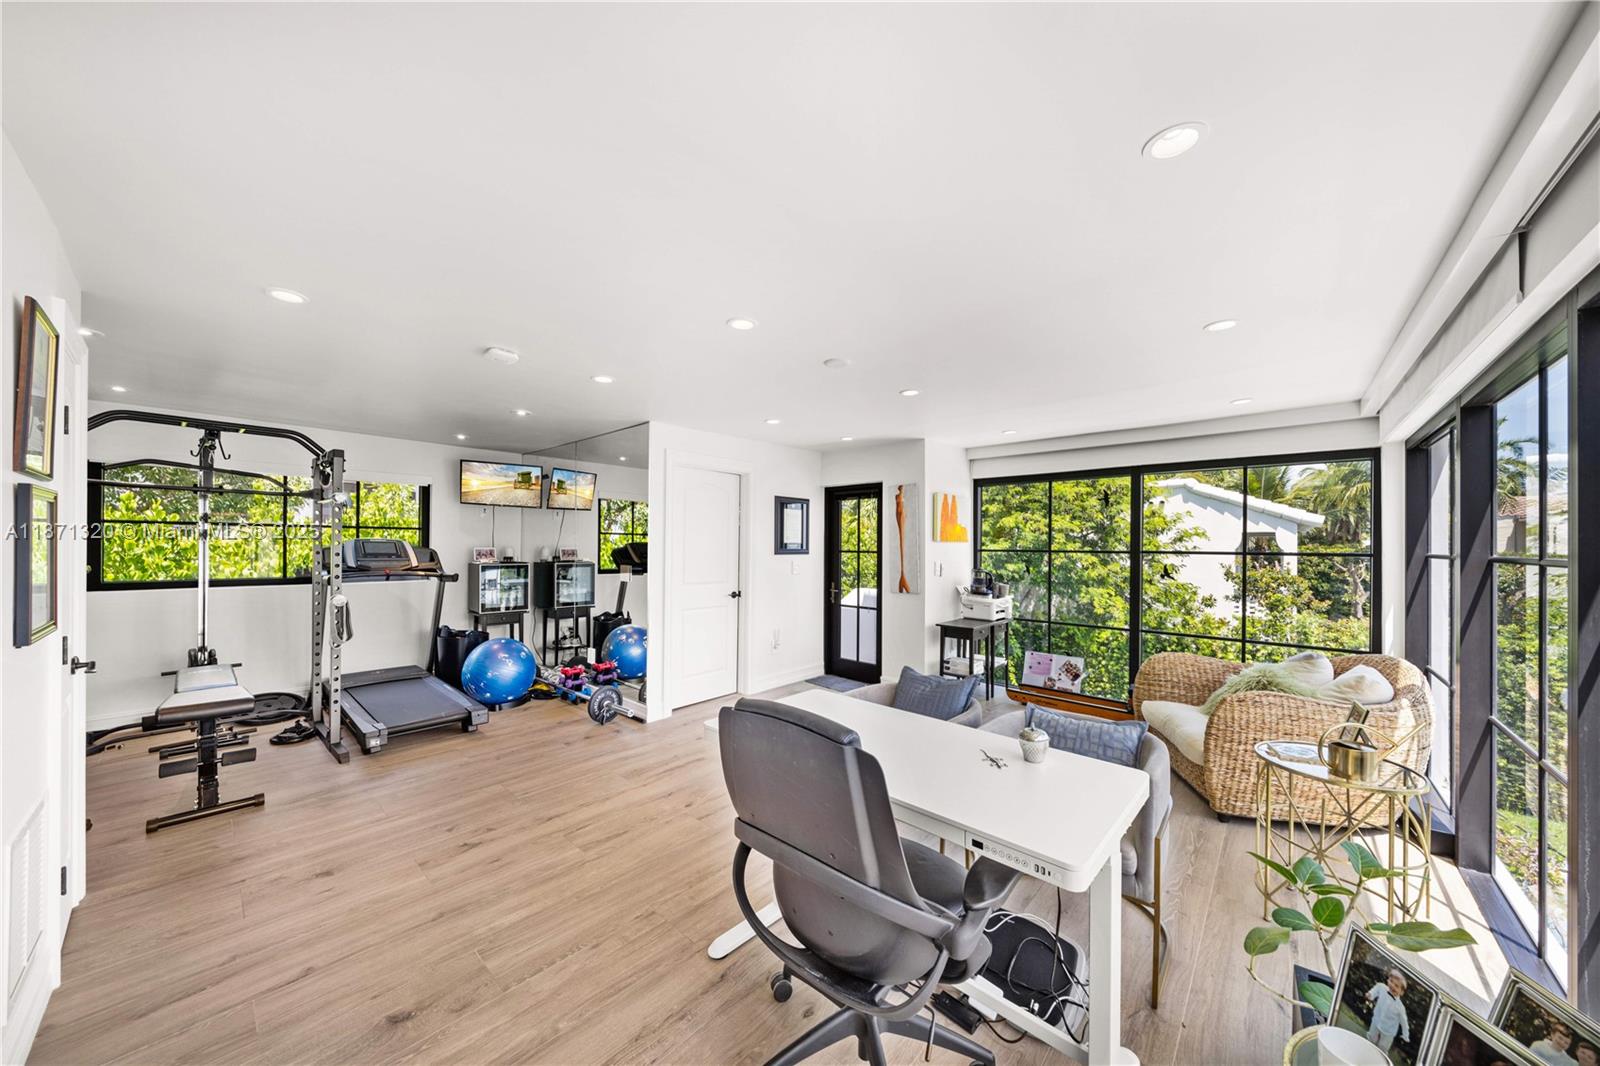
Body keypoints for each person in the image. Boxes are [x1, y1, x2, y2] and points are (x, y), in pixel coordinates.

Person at [1365, 968, 1411, 1052]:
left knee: (1383, 1047)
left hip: (1388, 1031)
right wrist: (1370, 994)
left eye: (1396, 986)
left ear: (1401, 992)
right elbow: (1376, 989)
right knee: (1370, 1038)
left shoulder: (1400, 1007)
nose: (1392, 985)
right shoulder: (1381, 987)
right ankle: (1366, 1051)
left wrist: (1405, 1035)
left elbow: (1404, 1022)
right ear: (1388, 980)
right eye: (1391, 981)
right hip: (1376, 1021)